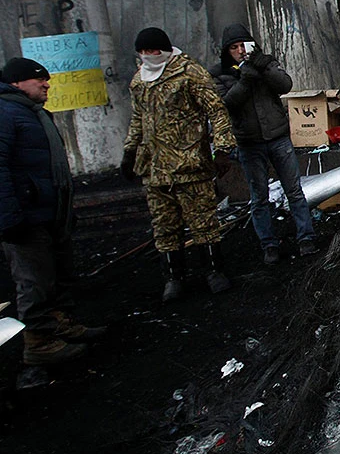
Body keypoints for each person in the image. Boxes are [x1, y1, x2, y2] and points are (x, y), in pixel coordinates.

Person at [0, 58, 105, 368]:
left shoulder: (31, 113)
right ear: (16, 82)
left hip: (47, 214)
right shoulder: (6, 113)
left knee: (55, 274)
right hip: (26, 218)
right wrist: (9, 217)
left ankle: (59, 324)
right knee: (34, 281)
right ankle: (38, 342)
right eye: (39, 80)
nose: (46, 84)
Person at [121, 27, 237, 301]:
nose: (148, 56)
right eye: (143, 52)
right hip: (154, 170)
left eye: (153, 51)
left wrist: (222, 149)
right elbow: (138, 118)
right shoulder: (139, 81)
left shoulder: (189, 73)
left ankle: (213, 271)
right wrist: (129, 151)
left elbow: (216, 109)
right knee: (164, 226)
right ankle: (173, 278)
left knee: (204, 222)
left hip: (190, 166)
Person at [210, 24, 318, 264]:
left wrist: (264, 66)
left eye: (243, 45)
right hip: (249, 142)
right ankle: (269, 244)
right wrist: (245, 80)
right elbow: (226, 104)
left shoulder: (264, 62)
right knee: (259, 197)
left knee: (294, 191)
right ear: (227, 51)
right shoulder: (220, 73)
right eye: (234, 47)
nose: (240, 51)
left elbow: (285, 85)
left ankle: (306, 238)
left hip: (278, 136)